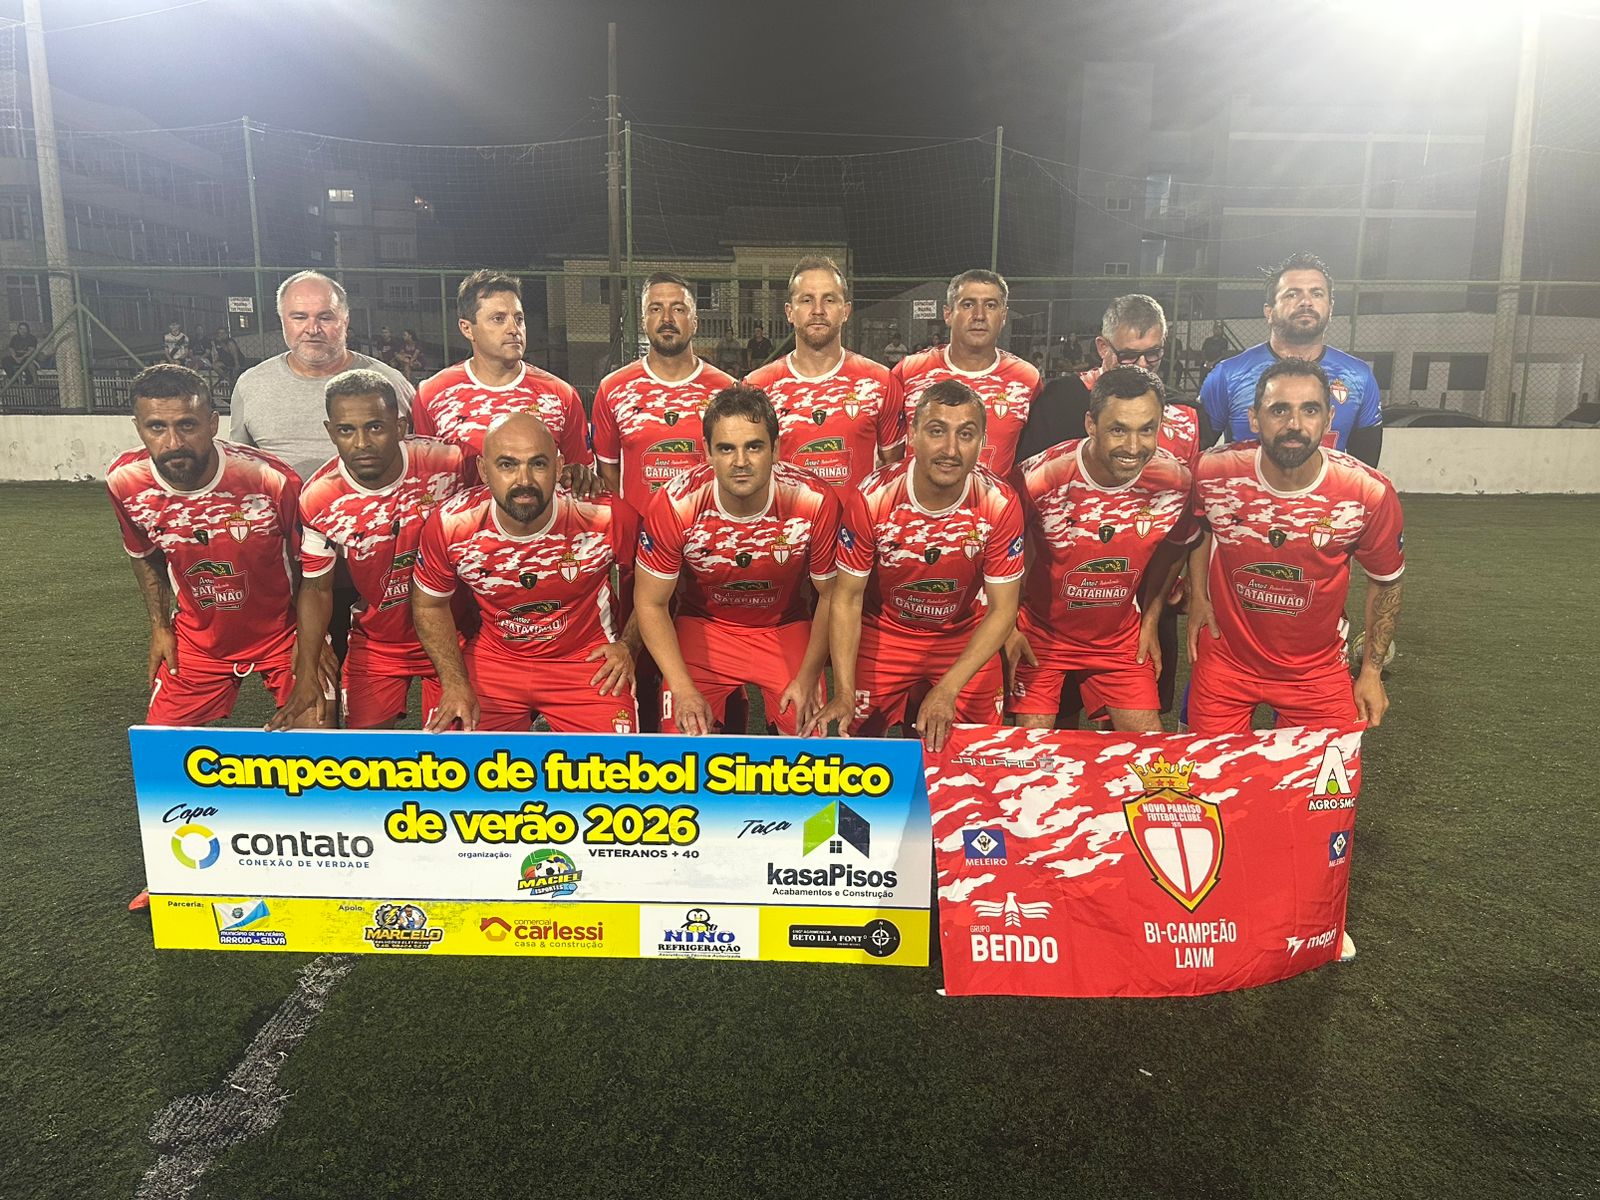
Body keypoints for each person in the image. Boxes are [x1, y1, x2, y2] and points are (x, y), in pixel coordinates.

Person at [107, 365, 323, 908]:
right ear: (138, 427)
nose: (173, 442)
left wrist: (313, 643)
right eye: (156, 427)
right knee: (162, 754)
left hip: (281, 635)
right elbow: (143, 555)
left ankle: (314, 863)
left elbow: (312, 569)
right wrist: (159, 626)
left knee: (319, 750)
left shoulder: (270, 480)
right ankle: (173, 871)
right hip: (199, 641)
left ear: (213, 422)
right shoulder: (125, 482)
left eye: (187, 425)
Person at [802, 379, 1025, 753]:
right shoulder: (873, 496)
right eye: (937, 431)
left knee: (978, 752)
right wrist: (844, 691)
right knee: (851, 745)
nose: (950, 449)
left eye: (965, 434)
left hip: (962, 634)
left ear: (982, 442)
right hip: (886, 632)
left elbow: (1003, 609)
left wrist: (948, 689)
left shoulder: (1000, 502)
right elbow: (847, 598)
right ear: (913, 435)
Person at [1187, 356, 1403, 737]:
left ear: (1329, 419)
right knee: (1211, 772)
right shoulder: (1211, 471)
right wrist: (1198, 597)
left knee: (1327, 776)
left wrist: (1370, 671)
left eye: (1310, 410)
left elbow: (1386, 582)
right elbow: (1200, 526)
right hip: (1227, 661)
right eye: (1279, 410)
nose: (1294, 424)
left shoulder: (1367, 492)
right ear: (1254, 418)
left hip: (1316, 672)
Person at [410, 413, 643, 733]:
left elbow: (655, 581)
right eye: (507, 465)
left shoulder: (605, 514)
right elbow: (428, 605)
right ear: (483, 470)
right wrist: (454, 681)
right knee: (457, 759)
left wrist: (628, 645)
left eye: (538, 464)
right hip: (496, 660)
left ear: (559, 467)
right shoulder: (451, 524)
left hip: (585, 661)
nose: (524, 480)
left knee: (615, 762)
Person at [267, 369, 470, 731]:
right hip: (380, 641)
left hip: (454, 635)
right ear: (331, 432)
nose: (361, 443)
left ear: (400, 426)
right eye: (346, 430)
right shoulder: (319, 498)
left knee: (459, 751)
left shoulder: (452, 464)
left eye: (375, 427)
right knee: (363, 752)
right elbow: (317, 586)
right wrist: (307, 670)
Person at [634, 386, 841, 736]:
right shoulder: (675, 503)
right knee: (682, 734)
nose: (741, 461)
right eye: (726, 448)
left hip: (784, 625)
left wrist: (808, 677)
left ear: (775, 449)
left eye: (754, 446)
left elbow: (832, 594)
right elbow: (650, 602)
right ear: (707, 451)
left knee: (808, 734)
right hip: (704, 626)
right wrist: (682, 688)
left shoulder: (815, 499)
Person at [1008, 366, 1197, 733]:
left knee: (1150, 755)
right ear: (1091, 424)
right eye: (1118, 430)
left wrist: (1151, 618)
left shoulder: (1175, 483)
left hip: (1118, 638)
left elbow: (1175, 548)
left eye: (1147, 429)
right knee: (1033, 756)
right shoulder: (1038, 478)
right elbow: (1000, 554)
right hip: (1041, 635)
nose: (1133, 447)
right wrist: (1008, 625)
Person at [1200, 252, 1383, 465]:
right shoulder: (1228, 375)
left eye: (1317, 294)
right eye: (1292, 294)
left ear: (1330, 309)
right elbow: (1193, 456)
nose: (1306, 302)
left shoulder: (1358, 377)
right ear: (1269, 311)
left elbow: (1366, 469)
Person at [230, 271, 414, 480]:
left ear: (345, 322)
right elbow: (239, 472)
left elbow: (420, 464)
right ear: (283, 321)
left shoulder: (391, 383)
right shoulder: (250, 385)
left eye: (325, 317)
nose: (312, 329)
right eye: (299, 317)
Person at [745, 256, 904, 491]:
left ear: (846, 311)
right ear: (789, 311)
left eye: (829, 300)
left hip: (858, 517)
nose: (818, 310)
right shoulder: (757, 388)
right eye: (806, 300)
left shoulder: (880, 382)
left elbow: (893, 473)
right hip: (786, 516)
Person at [412, 271, 590, 472]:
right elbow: (427, 478)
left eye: (519, 319)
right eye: (498, 319)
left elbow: (579, 477)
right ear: (467, 328)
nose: (514, 329)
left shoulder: (561, 396)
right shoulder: (432, 395)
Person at [591, 272, 738, 517]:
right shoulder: (613, 389)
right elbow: (607, 471)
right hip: (641, 536)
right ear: (643, 321)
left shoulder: (727, 390)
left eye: (678, 309)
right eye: (656, 309)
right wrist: (634, 523)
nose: (667, 318)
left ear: (695, 322)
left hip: (709, 534)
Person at [892, 269, 1040, 478]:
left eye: (990, 305)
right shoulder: (909, 371)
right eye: (968, 304)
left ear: (1004, 316)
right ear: (948, 314)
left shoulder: (1026, 378)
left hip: (992, 499)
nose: (979, 316)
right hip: (916, 498)